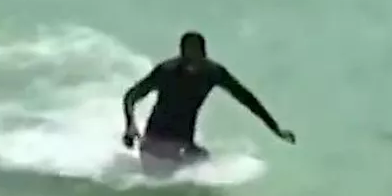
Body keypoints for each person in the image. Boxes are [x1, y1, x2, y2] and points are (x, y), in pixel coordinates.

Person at [121, 31, 296, 170]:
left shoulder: (213, 73)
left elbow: (247, 99)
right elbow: (131, 96)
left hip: (184, 141)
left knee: (202, 164)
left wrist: (276, 129)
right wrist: (131, 125)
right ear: (181, 56)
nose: (192, 65)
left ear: (204, 54)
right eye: (188, 58)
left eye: (196, 57)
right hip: (155, 139)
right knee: (161, 177)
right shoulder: (167, 71)